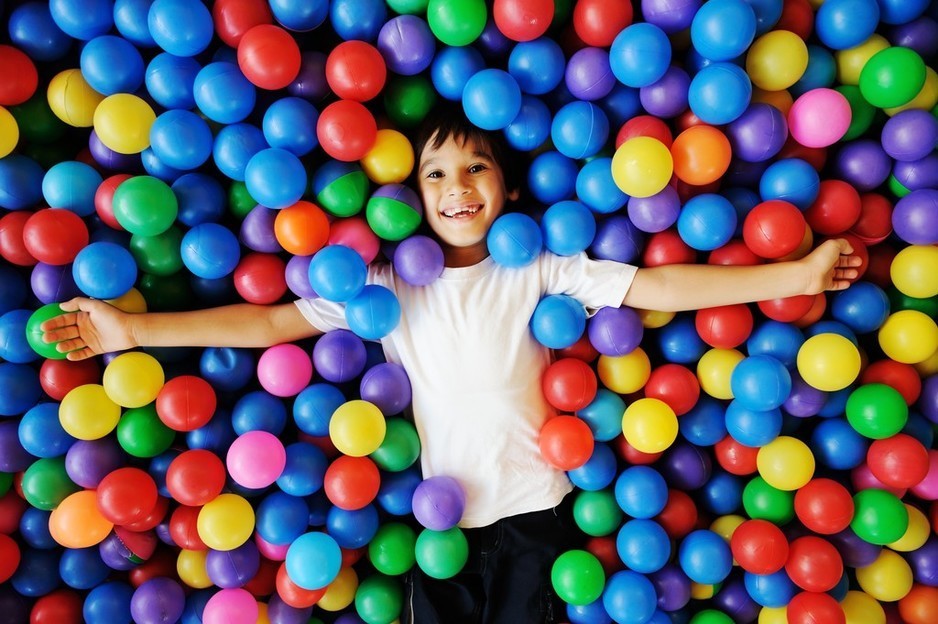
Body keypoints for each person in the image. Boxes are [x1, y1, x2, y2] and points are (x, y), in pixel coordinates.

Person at [42, 106, 861, 623]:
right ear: (414, 195)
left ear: (505, 185)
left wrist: (792, 277)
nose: (457, 185)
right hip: (441, 529)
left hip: (540, 514)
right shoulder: (387, 285)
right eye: (436, 172)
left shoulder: (536, 264)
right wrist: (135, 332)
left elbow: (655, 285)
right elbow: (266, 322)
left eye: (475, 167)